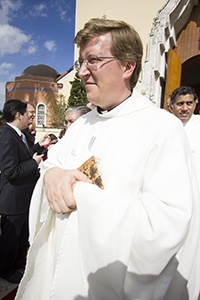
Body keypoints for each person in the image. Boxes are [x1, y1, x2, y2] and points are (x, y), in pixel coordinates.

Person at [16, 18, 200, 300]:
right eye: (80, 62)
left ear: (128, 66)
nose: (81, 72)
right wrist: (52, 176)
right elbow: (54, 166)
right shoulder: (79, 126)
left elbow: (163, 226)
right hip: (57, 276)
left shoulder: (161, 128)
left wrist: (80, 192)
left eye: (93, 60)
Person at [0, 99, 43, 284]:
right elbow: (11, 170)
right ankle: (5, 270)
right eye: (28, 114)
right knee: (10, 239)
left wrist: (37, 150)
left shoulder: (20, 134)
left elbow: (23, 155)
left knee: (20, 236)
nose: (31, 117)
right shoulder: (8, 136)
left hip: (23, 197)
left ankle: (18, 263)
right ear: (19, 115)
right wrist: (33, 163)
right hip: (13, 199)